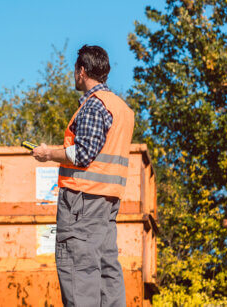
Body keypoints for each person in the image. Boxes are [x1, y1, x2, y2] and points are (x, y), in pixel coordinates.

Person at [31, 45, 134, 306]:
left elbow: (83, 154)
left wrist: (48, 154)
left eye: (75, 70)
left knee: (79, 270)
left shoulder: (93, 106)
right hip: (107, 203)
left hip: (82, 203)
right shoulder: (121, 109)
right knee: (106, 271)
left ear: (82, 70)